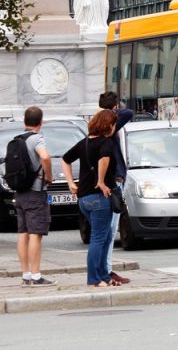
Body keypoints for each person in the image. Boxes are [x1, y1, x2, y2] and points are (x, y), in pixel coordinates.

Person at [62, 110, 118, 287]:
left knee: (106, 236)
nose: (115, 128)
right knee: (99, 238)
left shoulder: (84, 143)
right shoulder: (107, 142)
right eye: (114, 124)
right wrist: (101, 181)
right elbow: (104, 159)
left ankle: (104, 276)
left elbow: (65, 159)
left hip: (84, 199)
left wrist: (71, 182)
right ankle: (94, 279)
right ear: (108, 125)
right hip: (99, 198)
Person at [15, 106, 55, 286]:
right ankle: (36, 274)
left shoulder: (17, 139)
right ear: (41, 122)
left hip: (20, 191)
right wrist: (49, 176)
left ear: (25, 121)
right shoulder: (37, 139)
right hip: (35, 191)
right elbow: (45, 157)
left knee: (23, 233)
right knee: (35, 234)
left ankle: (25, 273)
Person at [98, 92, 134, 286]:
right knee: (110, 230)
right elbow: (129, 113)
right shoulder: (109, 125)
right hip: (114, 181)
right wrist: (113, 111)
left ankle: (104, 269)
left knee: (107, 230)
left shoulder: (98, 126)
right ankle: (106, 270)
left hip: (111, 180)